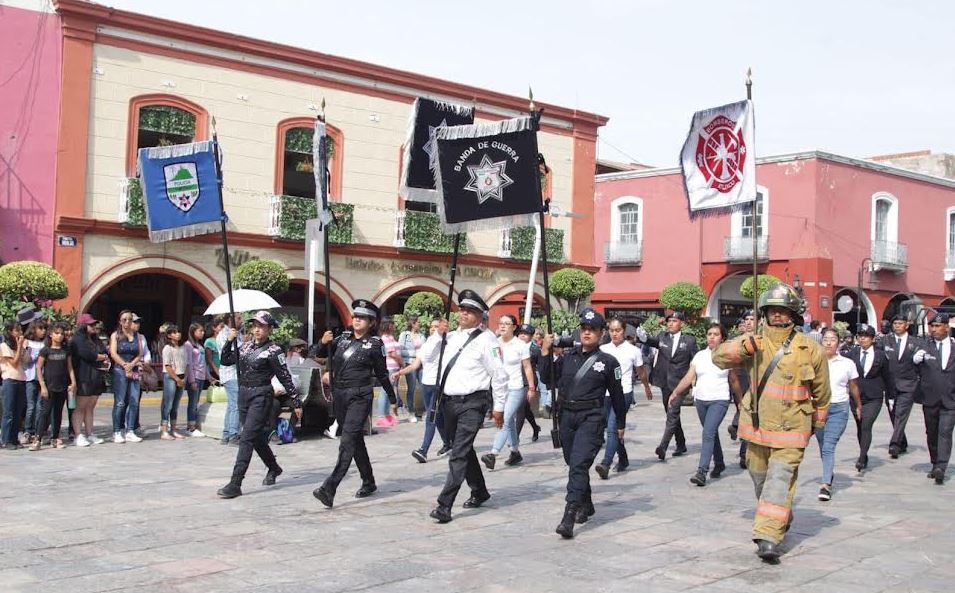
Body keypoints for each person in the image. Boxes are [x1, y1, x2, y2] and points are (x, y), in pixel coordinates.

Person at [712, 283, 830, 562]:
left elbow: (822, 392)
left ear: (793, 315)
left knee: (779, 480)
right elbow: (718, 358)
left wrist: (818, 423)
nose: (778, 316)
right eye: (772, 311)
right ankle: (780, 516)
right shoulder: (754, 342)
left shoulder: (810, 349)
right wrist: (743, 346)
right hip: (757, 427)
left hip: (792, 428)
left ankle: (767, 538)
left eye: (783, 311)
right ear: (765, 313)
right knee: (760, 478)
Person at [539, 308, 626, 539]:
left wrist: (620, 423)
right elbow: (547, 378)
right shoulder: (567, 357)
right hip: (567, 416)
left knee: (578, 464)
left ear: (601, 333)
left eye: (593, 330)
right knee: (572, 462)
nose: (587, 333)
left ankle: (569, 514)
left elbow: (617, 395)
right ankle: (586, 504)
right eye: (584, 329)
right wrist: (546, 352)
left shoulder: (609, 362)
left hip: (592, 417)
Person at [429, 290, 508, 524]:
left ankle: (444, 505)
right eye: (461, 309)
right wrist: (436, 336)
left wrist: (499, 406)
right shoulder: (450, 337)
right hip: (449, 403)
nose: (463, 313)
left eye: (470, 310)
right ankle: (479, 490)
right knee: (462, 449)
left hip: (473, 403)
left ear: (480, 316)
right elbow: (426, 357)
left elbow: (500, 375)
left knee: (459, 453)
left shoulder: (487, 340)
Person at [313, 299, 397, 507]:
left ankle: (330, 487)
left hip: (360, 396)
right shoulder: (341, 338)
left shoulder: (375, 345)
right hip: (340, 395)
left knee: (347, 441)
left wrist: (393, 398)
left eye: (362, 318)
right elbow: (317, 354)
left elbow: (382, 374)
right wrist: (323, 343)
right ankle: (368, 481)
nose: (357, 320)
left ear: (371, 322)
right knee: (355, 440)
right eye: (355, 316)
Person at [217, 311, 302, 499]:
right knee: (254, 438)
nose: (256, 329)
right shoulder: (246, 346)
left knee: (246, 437)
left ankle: (235, 482)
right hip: (244, 394)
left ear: (270, 329)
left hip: (261, 395)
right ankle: (274, 467)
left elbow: (285, 377)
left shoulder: (274, 351)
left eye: (261, 325)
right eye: (254, 325)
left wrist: (296, 401)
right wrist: (230, 341)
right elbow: (225, 360)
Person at [668, 323, 741, 487]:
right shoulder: (700, 356)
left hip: (719, 400)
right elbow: (688, 377)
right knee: (711, 433)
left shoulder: (728, 357)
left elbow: (734, 381)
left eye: (716, 334)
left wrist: (740, 402)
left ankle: (702, 471)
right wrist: (676, 392)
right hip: (701, 400)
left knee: (708, 433)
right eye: (709, 334)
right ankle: (720, 463)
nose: (712, 337)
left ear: (722, 337)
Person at [595, 317, 652, 479]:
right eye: (612, 330)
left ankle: (605, 463)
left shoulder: (633, 350)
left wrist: (647, 387)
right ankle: (623, 458)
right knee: (610, 428)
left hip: (623, 393)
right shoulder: (603, 349)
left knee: (613, 428)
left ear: (624, 331)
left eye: (618, 330)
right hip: (604, 394)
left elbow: (640, 371)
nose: (615, 334)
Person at [637, 311, 698, 460]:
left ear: (681, 323)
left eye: (674, 321)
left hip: (680, 383)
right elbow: (651, 342)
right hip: (664, 382)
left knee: (672, 413)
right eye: (669, 321)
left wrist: (695, 383)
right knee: (672, 413)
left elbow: (696, 361)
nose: (671, 323)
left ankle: (662, 447)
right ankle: (681, 443)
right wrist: (643, 337)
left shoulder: (689, 341)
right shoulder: (662, 337)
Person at [481, 314, 535, 469]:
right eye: (501, 323)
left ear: (514, 327)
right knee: (509, 421)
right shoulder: (494, 344)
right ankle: (515, 452)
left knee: (505, 418)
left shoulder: (520, 345)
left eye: (507, 323)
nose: (503, 326)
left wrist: (531, 387)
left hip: (515, 387)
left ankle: (493, 453)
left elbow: (527, 367)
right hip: (499, 389)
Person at [396, 318, 452, 463]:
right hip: (426, 384)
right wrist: (401, 372)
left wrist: (443, 333)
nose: (434, 329)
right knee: (436, 416)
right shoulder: (426, 345)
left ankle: (424, 450)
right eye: (432, 327)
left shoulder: (445, 343)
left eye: (437, 327)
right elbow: (415, 364)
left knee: (431, 417)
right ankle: (448, 443)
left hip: (438, 385)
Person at [816, 328, 862, 501]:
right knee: (822, 445)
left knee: (828, 445)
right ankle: (829, 471)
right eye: (825, 339)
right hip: (818, 409)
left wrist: (858, 405)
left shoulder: (847, 363)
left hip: (838, 408)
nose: (828, 342)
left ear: (839, 342)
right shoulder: (814, 361)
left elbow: (854, 386)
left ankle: (825, 484)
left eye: (832, 339)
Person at [845, 323, 894, 473]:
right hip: (856, 397)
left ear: (872, 339)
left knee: (866, 424)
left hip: (874, 396)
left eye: (866, 336)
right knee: (860, 427)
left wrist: (891, 397)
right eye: (860, 336)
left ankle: (861, 457)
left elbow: (888, 377)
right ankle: (864, 453)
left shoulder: (880, 355)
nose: (862, 339)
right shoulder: (851, 353)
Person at [914, 313, 955, 485]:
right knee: (931, 433)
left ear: (947, 327)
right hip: (930, 398)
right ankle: (934, 462)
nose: (935, 329)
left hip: (951, 399)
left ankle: (941, 466)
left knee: (945, 432)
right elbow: (912, 367)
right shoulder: (925, 346)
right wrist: (916, 359)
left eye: (938, 326)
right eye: (932, 326)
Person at [881, 314, 919, 458]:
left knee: (901, 414)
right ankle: (902, 441)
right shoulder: (885, 340)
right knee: (893, 414)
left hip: (908, 384)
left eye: (900, 323)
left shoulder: (916, 342)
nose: (897, 325)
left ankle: (895, 444)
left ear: (906, 325)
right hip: (890, 385)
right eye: (895, 323)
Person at [35, 322, 76, 450]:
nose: (60, 336)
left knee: (58, 413)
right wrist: (42, 386)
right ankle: (38, 438)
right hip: (49, 386)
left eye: (62, 334)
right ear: (51, 335)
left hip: (62, 386)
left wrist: (73, 382)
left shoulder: (66, 350)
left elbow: (70, 368)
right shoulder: (45, 350)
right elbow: (39, 367)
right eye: (57, 333)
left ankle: (55, 437)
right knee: (45, 413)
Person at [70, 314, 110, 447]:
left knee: (90, 407)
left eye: (94, 324)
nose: (93, 327)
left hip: (96, 375)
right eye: (90, 324)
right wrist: (100, 356)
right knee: (80, 406)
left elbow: (105, 352)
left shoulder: (95, 339)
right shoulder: (78, 339)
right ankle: (77, 434)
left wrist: (102, 356)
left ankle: (89, 433)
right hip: (83, 376)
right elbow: (88, 354)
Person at [109, 310, 143, 444]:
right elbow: (113, 353)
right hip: (119, 370)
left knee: (134, 400)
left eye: (130, 319)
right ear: (120, 321)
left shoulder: (137, 336)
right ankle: (117, 431)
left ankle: (130, 430)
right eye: (124, 320)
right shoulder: (116, 335)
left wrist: (132, 364)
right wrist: (124, 365)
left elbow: (140, 353)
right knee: (120, 402)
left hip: (133, 369)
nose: (127, 322)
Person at [729, 310, 756, 468]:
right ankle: (744, 452)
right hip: (740, 380)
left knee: (749, 416)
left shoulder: (763, 339)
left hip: (757, 380)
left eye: (752, 319)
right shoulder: (736, 340)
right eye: (747, 319)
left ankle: (736, 427)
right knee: (745, 412)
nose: (749, 322)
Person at [1, 319, 28, 450]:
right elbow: (15, 363)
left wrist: (23, 348)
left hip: (21, 379)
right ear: (10, 332)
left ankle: (14, 438)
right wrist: (19, 347)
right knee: (9, 412)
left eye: (20, 330)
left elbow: (27, 360)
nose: (19, 333)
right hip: (10, 380)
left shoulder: (19, 345)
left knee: (18, 412)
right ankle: (6, 439)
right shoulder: (4, 346)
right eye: (17, 331)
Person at [216, 314, 242, 444]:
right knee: (236, 404)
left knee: (231, 405)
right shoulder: (224, 334)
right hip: (230, 374)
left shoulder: (238, 333)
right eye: (238, 318)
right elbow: (227, 355)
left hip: (237, 374)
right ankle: (233, 433)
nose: (241, 321)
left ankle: (226, 434)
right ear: (230, 320)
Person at [514, 324, 542, 442]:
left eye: (525, 334)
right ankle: (535, 427)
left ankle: (515, 438)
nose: (522, 336)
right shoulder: (513, 346)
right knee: (525, 409)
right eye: (520, 334)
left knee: (521, 407)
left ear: (531, 336)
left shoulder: (534, 349)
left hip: (528, 381)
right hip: (516, 380)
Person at [22, 314, 47, 447]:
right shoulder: (28, 342)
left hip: (42, 377)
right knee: (30, 406)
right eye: (40, 328)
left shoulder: (46, 344)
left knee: (40, 406)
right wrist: (27, 349)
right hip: (30, 377)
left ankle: (38, 432)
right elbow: (26, 361)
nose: (43, 331)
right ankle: (28, 431)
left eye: (44, 328)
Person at [160, 325, 187, 440]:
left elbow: (186, 364)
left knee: (175, 405)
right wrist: (176, 379)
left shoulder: (183, 348)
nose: (178, 334)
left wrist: (184, 378)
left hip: (181, 375)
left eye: (179, 332)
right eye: (175, 332)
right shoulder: (167, 348)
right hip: (171, 377)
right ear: (169, 335)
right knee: (168, 404)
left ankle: (174, 429)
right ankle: (164, 430)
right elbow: (167, 366)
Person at [375, 318, 403, 427]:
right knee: (385, 391)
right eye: (392, 324)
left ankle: (386, 414)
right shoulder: (385, 338)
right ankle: (381, 416)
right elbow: (392, 354)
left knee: (389, 392)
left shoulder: (391, 337)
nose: (394, 326)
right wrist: (402, 363)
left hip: (395, 367)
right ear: (388, 325)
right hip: (390, 367)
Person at [182, 323, 207, 438]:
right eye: (200, 331)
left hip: (201, 376)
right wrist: (192, 381)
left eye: (203, 331)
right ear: (193, 332)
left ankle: (194, 425)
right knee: (192, 403)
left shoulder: (200, 345)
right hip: (194, 377)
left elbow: (203, 363)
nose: (202, 333)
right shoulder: (188, 345)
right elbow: (189, 364)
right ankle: (190, 427)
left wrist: (209, 376)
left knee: (195, 402)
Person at [398, 315, 424, 421]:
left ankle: (423, 411)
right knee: (411, 388)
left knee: (424, 386)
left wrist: (419, 356)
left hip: (421, 363)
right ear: (413, 323)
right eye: (418, 322)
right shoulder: (404, 335)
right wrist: (414, 355)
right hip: (409, 363)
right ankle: (411, 412)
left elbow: (425, 349)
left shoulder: (421, 336)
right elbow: (401, 349)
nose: (420, 324)